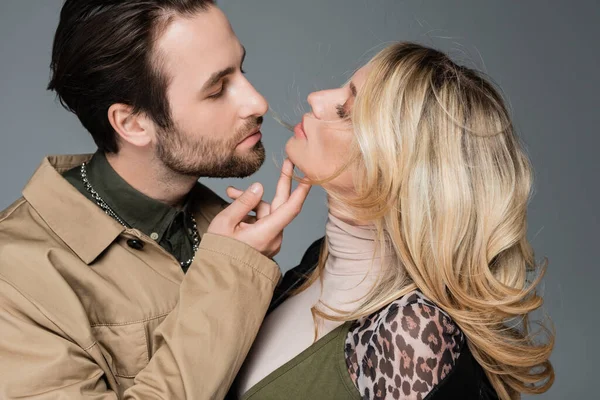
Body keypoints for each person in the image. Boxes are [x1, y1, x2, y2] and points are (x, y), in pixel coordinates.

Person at [0, 1, 310, 399]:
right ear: (132, 124)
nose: (256, 102)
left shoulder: (226, 225)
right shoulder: (14, 282)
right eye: (217, 90)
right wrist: (233, 273)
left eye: (241, 71)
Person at [233, 42, 555, 399]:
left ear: (396, 169)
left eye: (345, 111)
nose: (315, 98)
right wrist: (244, 267)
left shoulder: (411, 332)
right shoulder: (315, 264)